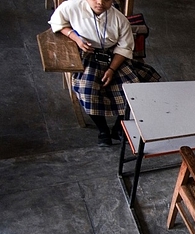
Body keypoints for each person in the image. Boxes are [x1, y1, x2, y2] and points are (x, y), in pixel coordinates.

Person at [49, 0, 161, 146]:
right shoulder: (71, 6)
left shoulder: (120, 20)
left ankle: (118, 127)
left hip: (113, 57)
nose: (100, 2)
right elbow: (57, 23)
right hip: (88, 54)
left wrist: (111, 70)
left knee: (132, 90)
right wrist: (76, 38)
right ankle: (103, 130)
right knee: (88, 91)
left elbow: (124, 48)